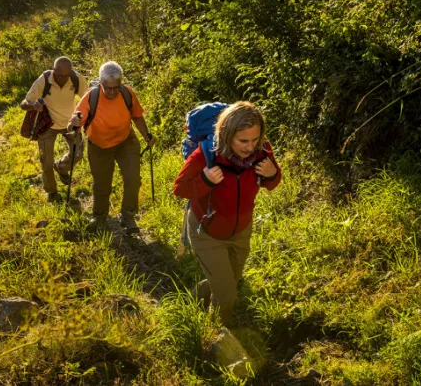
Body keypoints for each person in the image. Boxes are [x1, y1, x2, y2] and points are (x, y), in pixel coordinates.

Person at [172, 101, 281, 325]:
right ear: (226, 135)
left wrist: (272, 174)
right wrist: (205, 180)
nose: (250, 147)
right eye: (243, 141)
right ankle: (216, 336)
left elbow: (271, 183)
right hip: (207, 232)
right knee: (227, 296)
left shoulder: (262, 151)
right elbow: (180, 189)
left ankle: (191, 299)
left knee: (229, 280)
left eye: (254, 139)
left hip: (241, 232)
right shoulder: (206, 155)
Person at [68, 61, 157, 233]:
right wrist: (74, 124)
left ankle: (128, 216)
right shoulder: (91, 97)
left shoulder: (126, 93)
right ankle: (100, 217)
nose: (112, 92)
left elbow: (137, 116)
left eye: (116, 87)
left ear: (120, 84)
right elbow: (74, 125)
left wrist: (146, 135)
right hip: (99, 146)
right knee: (102, 184)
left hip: (126, 141)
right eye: (108, 88)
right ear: (101, 84)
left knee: (133, 179)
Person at [21, 57, 87, 202]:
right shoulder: (44, 80)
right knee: (46, 162)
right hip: (48, 125)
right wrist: (33, 106)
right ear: (54, 70)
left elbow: (87, 100)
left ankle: (61, 167)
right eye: (59, 75)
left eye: (66, 75)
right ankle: (52, 192)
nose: (63, 79)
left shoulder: (76, 79)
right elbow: (24, 103)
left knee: (78, 154)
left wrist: (82, 117)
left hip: (70, 122)